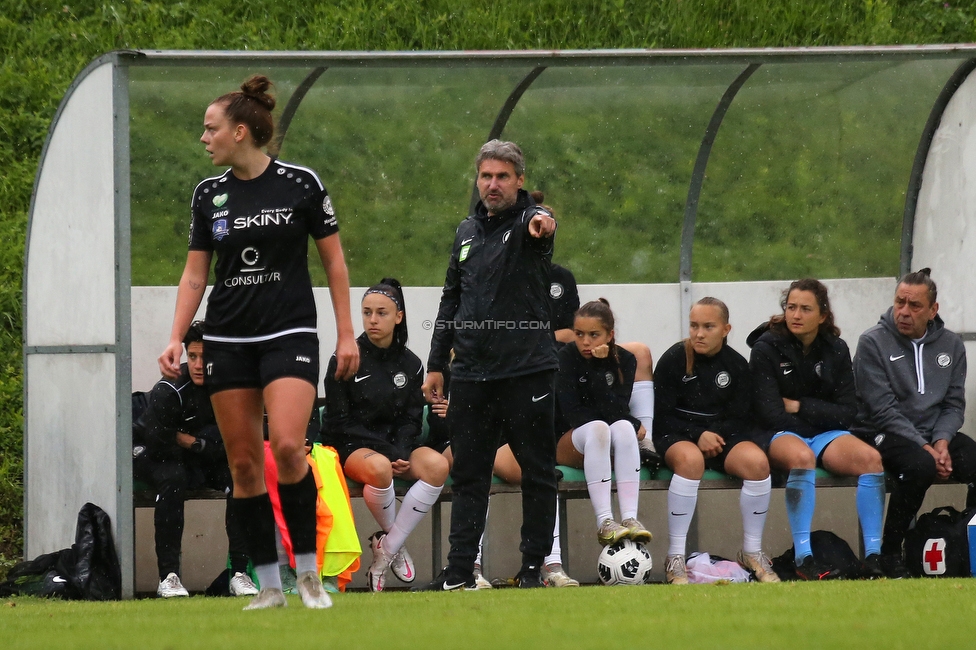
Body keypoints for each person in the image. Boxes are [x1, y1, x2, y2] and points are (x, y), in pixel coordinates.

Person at [157, 74, 358, 610]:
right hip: (227, 337)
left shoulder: (301, 184)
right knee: (244, 464)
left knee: (290, 447)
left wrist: (345, 333)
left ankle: (309, 575)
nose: (204, 138)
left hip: (289, 332)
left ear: (240, 132)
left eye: (211, 128)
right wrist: (177, 335)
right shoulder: (209, 194)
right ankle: (269, 585)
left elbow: (334, 262)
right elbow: (195, 275)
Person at [415, 140, 559, 590]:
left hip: (526, 371)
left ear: (519, 180)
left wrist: (543, 223)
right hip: (472, 373)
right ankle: (459, 571)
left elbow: (544, 225)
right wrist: (437, 362)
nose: (492, 184)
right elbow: (450, 297)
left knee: (537, 472)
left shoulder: (528, 225)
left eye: (502, 176)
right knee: (470, 474)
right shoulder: (465, 232)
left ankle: (533, 568)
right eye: (485, 176)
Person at [747, 279, 886, 580]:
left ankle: (875, 555)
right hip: (777, 433)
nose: (796, 315)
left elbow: (848, 413)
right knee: (801, 457)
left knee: (871, 460)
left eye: (805, 309)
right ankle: (804, 557)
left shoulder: (836, 348)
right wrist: (819, 417)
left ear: (822, 316)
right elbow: (770, 414)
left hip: (823, 432)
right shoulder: (765, 347)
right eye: (791, 307)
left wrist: (800, 406)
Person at [320, 278, 448, 592]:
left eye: (382, 313)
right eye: (367, 313)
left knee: (438, 467)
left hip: (395, 447)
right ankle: (396, 541)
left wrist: (402, 450)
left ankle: (385, 549)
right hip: (353, 446)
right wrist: (390, 453)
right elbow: (339, 422)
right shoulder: (345, 359)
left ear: (399, 317)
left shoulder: (412, 363)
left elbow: (411, 418)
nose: (373, 320)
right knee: (379, 469)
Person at [853, 268, 976, 578]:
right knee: (919, 466)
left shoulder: (951, 345)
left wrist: (942, 441)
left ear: (933, 310)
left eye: (914, 305)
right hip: (882, 432)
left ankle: (968, 541)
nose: (904, 312)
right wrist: (927, 448)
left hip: (933, 437)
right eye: (899, 303)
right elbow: (882, 409)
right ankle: (891, 552)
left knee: (974, 459)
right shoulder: (872, 342)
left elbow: (953, 404)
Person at [653, 298, 778, 584]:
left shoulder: (735, 365)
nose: (699, 333)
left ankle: (752, 552)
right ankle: (675, 557)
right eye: (694, 326)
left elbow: (741, 417)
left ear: (725, 329)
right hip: (678, 435)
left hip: (721, 439)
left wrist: (715, 435)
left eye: (708, 326)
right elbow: (660, 417)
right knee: (691, 460)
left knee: (758, 463)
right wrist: (698, 435)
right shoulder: (674, 358)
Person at [134, 321, 256, 598]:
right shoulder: (171, 389)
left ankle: (240, 573)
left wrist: (193, 441)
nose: (199, 364)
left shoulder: (228, 388)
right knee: (173, 479)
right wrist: (204, 442)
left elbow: (235, 439)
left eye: (207, 357)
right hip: (154, 453)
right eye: (193, 356)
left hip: (198, 457)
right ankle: (168, 577)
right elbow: (159, 443)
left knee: (243, 477)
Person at [555, 299, 652, 553]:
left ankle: (629, 516)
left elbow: (617, 411)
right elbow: (573, 414)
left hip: (606, 436)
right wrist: (597, 369)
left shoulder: (625, 360)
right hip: (569, 438)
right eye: (579, 334)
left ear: (610, 335)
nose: (585, 342)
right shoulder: (565, 358)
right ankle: (605, 521)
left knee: (622, 427)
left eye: (594, 335)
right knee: (600, 427)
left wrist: (600, 369)